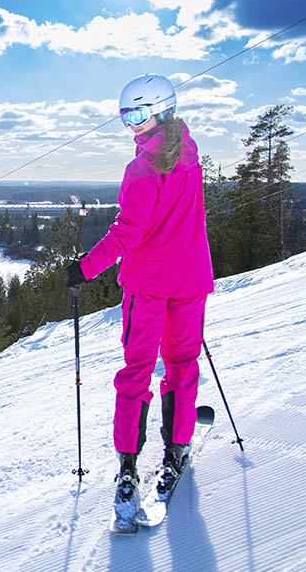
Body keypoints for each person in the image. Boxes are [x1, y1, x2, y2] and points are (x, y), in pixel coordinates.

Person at [65, 74, 214, 525]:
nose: (131, 125)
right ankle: (176, 451)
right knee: (182, 366)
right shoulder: (190, 156)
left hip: (149, 285)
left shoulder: (142, 170)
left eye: (139, 114)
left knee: (137, 372)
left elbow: (129, 231)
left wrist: (84, 268)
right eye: (125, 115)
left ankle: (129, 468)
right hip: (190, 281)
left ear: (161, 110)